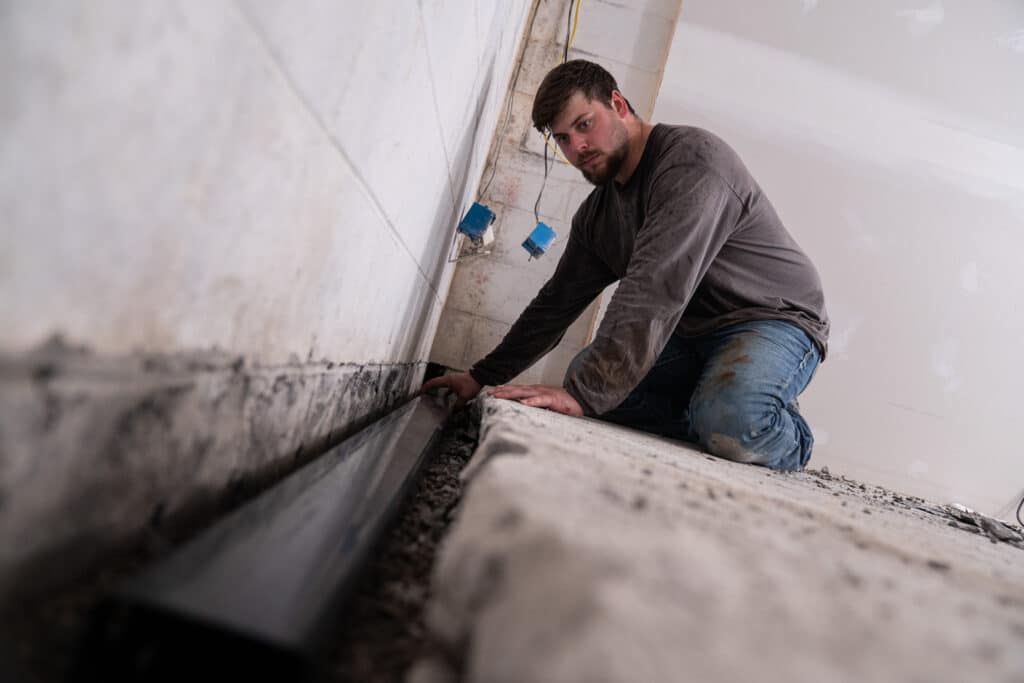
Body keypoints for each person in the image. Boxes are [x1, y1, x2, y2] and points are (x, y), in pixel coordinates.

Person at [423, 60, 829, 471]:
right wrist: (480, 377)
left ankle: (778, 427)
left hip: (772, 318)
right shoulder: (598, 216)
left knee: (734, 421)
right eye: (563, 139)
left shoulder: (692, 164)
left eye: (584, 125)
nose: (577, 148)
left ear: (617, 104)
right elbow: (555, 304)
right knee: (591, 375)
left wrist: (583, 395)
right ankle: (711, 408)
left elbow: (655, 286)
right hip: (690, 331)